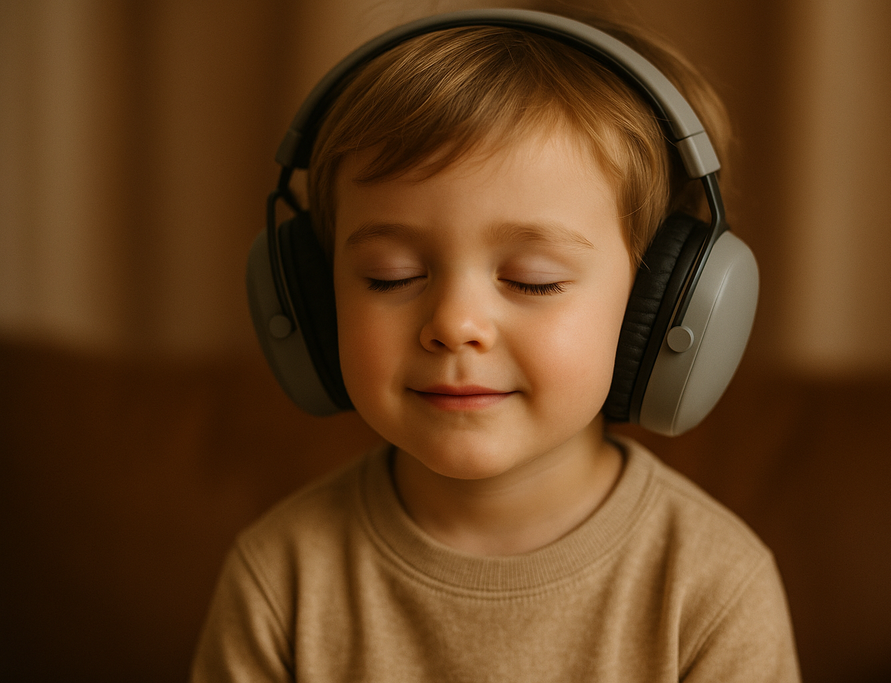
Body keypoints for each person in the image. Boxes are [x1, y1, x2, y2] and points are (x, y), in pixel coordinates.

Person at [192, 8, 800, 681]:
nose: (455, 324)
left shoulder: (713, 589)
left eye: (532, 279)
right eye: (391, 275)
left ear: (655, 307)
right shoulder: (279, 579)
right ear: (312, 297)